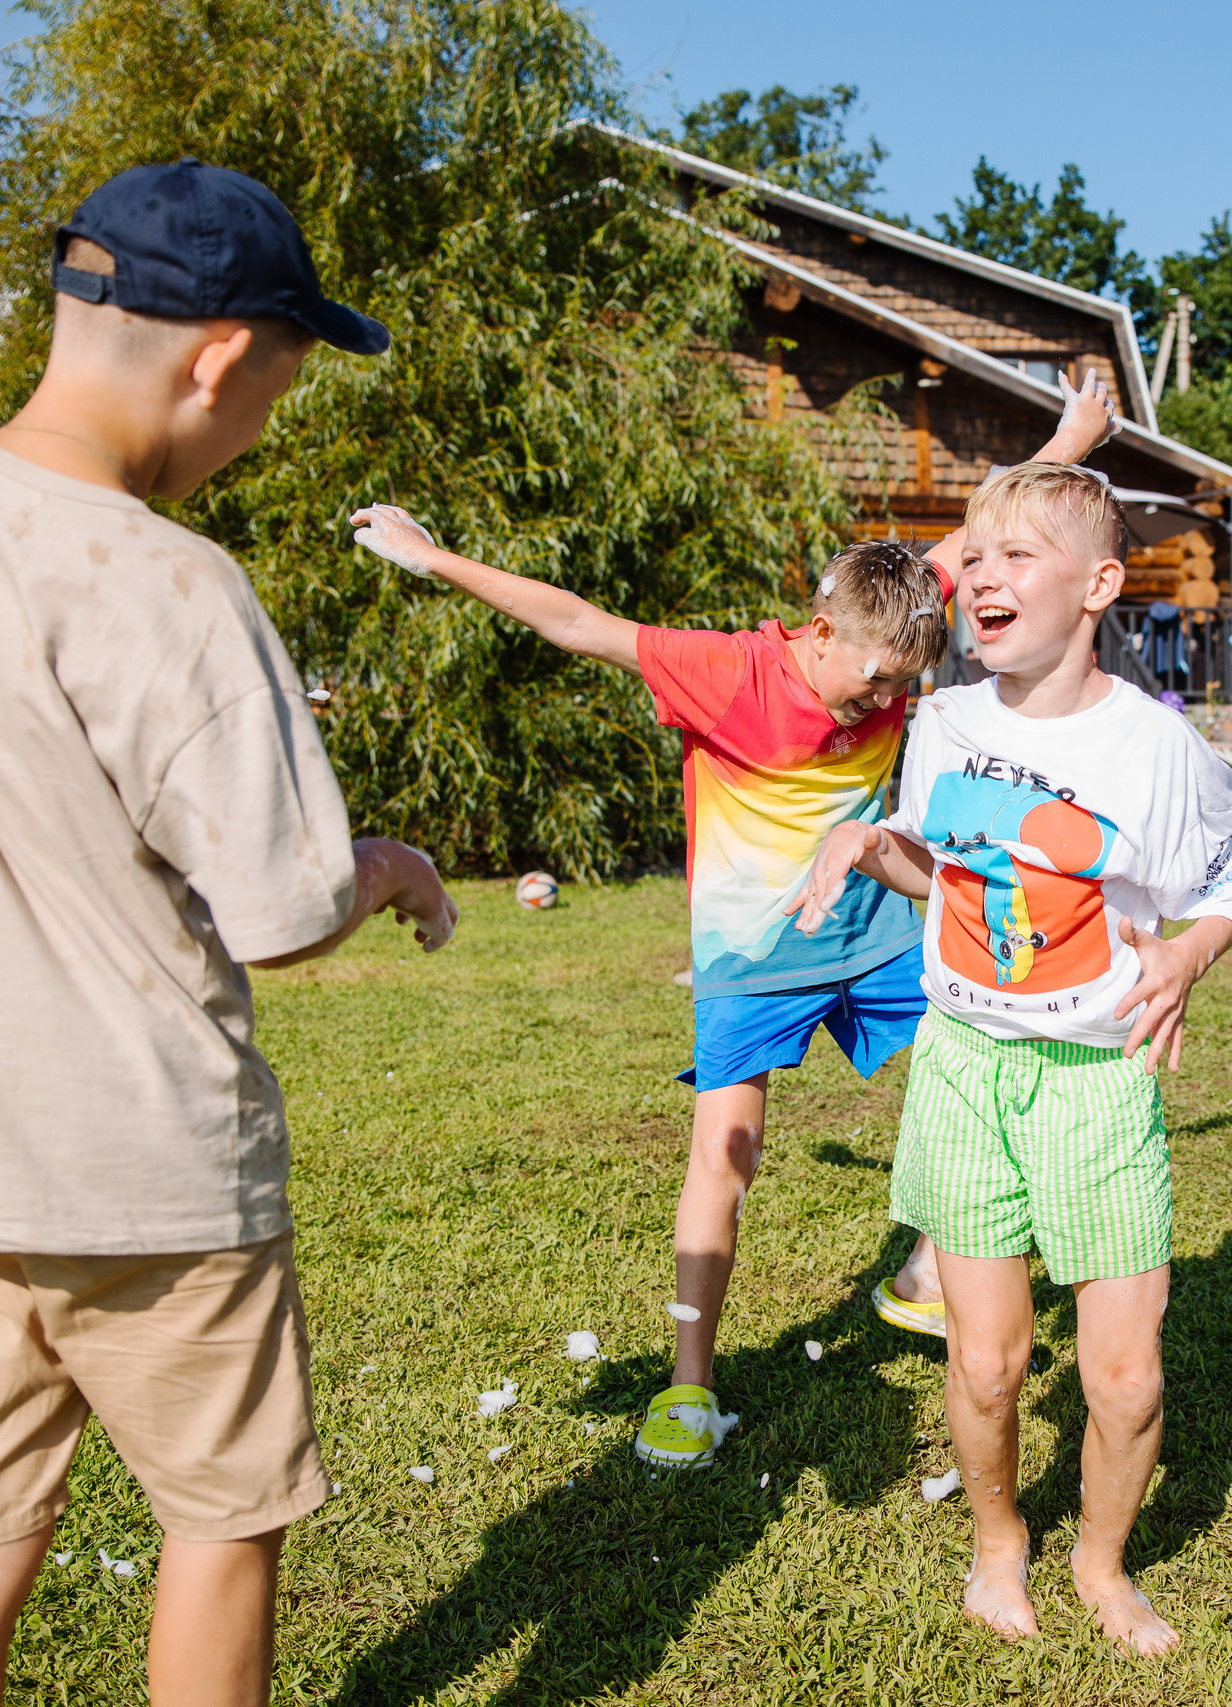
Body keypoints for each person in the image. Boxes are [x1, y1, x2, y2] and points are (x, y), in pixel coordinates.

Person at [0, 160, 458, 1707]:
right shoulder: (178, 582)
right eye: (271, 396)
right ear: (221, 356)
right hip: (154, 1182)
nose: (253, 433)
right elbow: (281, 910)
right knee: (220, 1526)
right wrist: (393, 862)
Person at [343, 380, 1116, 1467]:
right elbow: (576, 621)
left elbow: (983, 528)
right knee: (728, 1150)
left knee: (993, 1058)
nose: (879, 703)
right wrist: (435, 559)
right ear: (817, 630)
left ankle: (930, 1268)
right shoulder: (728, 672)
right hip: (753, 956)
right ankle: (688, 1386)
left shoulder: (899, 611)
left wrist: (1071, 439)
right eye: (869, 682)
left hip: (881, 928)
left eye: (902, 685)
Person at [792, 462, 1232, 1655]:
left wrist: (1189, 959)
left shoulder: (1158, 750)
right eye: (975, 556)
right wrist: (864, 842)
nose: (983, 577)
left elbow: (1220, 892)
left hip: (1095, 1087)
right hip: (962, 1071)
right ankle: (1001, 1547)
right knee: (988, 1365)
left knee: (1126, 1382)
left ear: (1099, 584)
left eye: (1017, 556)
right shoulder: (942, 723)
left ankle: (1102, 1566)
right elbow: (937, 868)